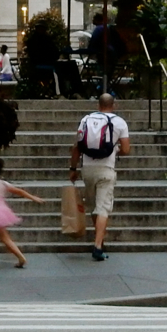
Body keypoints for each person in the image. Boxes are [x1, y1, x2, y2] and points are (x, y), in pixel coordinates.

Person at [69, 92, 130, 261]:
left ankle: (100, 240)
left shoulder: (86, 119)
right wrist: (115, 150)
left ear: (98, 105)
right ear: (114, 105)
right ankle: (97, 246)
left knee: (93, 206)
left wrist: (73, 168)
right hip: (106, 169)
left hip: (87, 169)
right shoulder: (119, 122)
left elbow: (77, 147)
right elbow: (126, 149)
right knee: (102, 208)